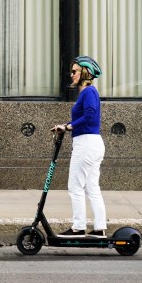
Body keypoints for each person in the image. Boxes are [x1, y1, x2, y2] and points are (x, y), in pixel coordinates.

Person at [52, 55, 107, 238]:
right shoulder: (88, 93)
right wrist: (65, 125)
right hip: (92, 143)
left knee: (75, 186)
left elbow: (90, 115)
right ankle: (99, 228)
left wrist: (68, 126)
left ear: (85, 72)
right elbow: (83, 118)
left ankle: (78, 227)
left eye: (74, 71)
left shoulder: (88, 92)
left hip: (86, 144)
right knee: (92, 187)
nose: (72, 75)